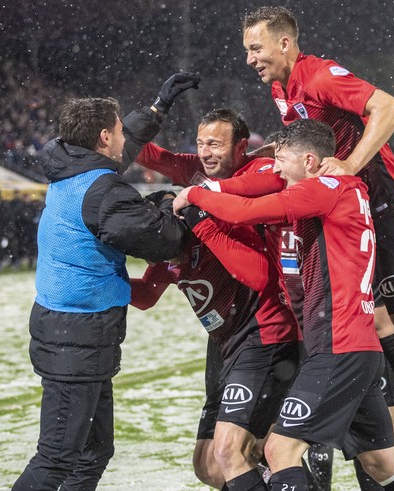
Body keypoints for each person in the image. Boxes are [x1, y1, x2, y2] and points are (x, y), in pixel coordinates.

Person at [241, 7, 394, 489]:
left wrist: (349, 164)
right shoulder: (280, 90)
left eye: (256, 47)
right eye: (248, 49)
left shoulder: (320, 74)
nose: (251, 58)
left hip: (391, 202)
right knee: (375, 320)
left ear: (285, 43)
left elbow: (389, 107)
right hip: (358, 207)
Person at [174, 119, 394, 490]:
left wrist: (195, 198)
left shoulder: (326, 187)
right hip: (355, 346)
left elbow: (244, 212)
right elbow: (257, 192)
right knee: (380, 462)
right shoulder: (348, 188)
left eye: (281, 159)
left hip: (336, 347)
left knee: (280, 451)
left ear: (309, 160)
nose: (275, 169)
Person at [12, 71, 200, 491]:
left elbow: (120, 150)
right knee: (57, 458)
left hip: (68, 330)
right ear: (102, 138)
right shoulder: (105, 191)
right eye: (117, 130)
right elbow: (160, 240)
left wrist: (156, 110)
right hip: (77, 335)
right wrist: (177, 208)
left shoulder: (69, 165)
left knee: (92, 453)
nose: (122, 139)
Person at [134, 107, 302, 488]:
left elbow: (257, 270)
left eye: (215, 144)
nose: (205, 152)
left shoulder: (256, 174)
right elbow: (149, 155)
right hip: (225, 341)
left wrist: (201, 200)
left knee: (250, 450)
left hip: (268, 326)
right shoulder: (196, 193)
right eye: (200, 144)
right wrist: (153, 111)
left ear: (241, 147)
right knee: (210, 466)